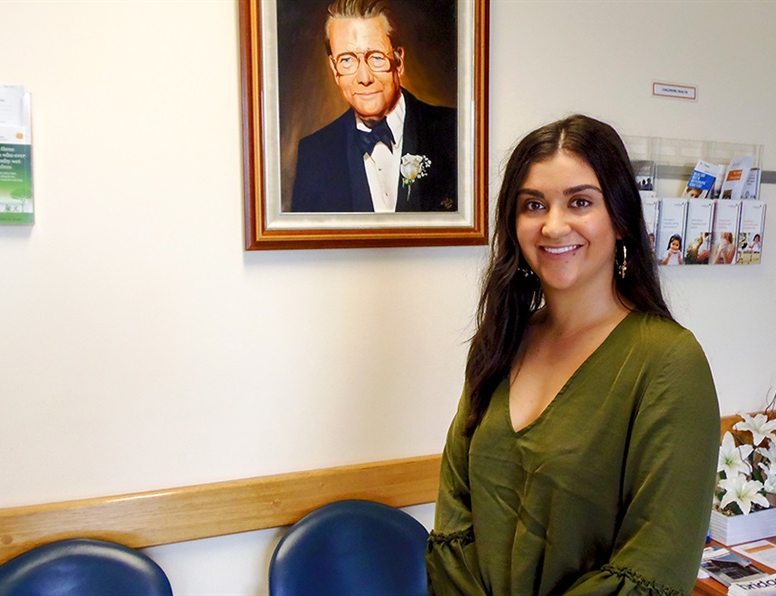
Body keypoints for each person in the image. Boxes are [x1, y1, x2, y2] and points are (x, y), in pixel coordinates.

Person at [427, 115, 720, 595]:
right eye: (533, 204)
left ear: (621, 219)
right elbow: (455, 513)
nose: (553, 225)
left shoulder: (669, 363)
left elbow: (654, 568)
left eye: (580, 202)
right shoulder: (500, 341)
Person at [290, 0, 458, 213]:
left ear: (399, 62)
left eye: (376, 58)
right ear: (334, 69)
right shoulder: (314, 154)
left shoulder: (453, 131)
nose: (364, 77)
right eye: (347, 61)